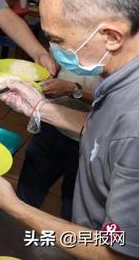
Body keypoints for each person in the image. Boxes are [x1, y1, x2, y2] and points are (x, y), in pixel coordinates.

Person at [0, 0, 139, 258]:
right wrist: (41, 107)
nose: (54, 49)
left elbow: (114, 252)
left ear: (112, 36)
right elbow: (105, 134)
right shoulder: (121, 77)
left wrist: (15, 207)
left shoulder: (135, 122)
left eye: (59, 40)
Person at [17, 70, 98, 220]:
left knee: (74, 208)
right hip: (51, 126)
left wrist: (73, 89)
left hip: (90, 143)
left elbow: (114, 103)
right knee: (26, 195)